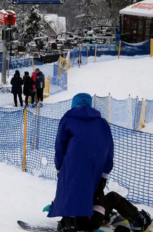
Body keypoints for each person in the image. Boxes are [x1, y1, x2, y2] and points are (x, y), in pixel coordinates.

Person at [48, 94, 114, 232]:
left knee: (69, 192)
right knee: (88, 192)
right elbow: (109, 149)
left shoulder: (68, 120)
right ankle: (84, 223)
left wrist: (59, 167)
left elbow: (60, 146)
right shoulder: (102, 123)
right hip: (96, 166)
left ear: (73, 104)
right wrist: (104, 173)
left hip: (73, 163)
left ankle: (69, 223)